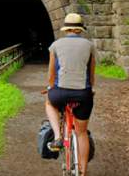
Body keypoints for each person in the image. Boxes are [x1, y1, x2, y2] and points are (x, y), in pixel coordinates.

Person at [44, 12, 96, 176]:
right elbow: (92, 73)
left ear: (66, 29)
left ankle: (58, 137)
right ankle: (83, 171)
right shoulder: (89, 46)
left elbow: (51, 74)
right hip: (83, 94)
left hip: (60, 93)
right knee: (81, 132)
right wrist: (91, 88)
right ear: (80, 29)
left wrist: (50, 87)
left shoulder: (55, 45)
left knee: (49, 103)